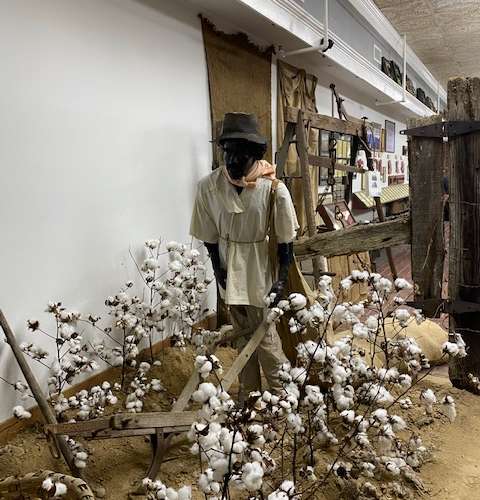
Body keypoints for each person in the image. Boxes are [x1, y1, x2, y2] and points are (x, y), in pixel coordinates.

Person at [190, 112, 299, 403]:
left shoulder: (273, 190)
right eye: (227, 151)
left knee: (265, 335)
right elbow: (209, 235)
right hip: (228, 266)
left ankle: (282, 395)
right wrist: (218, 270)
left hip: (258, 267)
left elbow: (286, 241)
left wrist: (280, 280)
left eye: (240, 153)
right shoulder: (209, 187)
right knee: (241, 334)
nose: (231, 159)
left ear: (254, 154)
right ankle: (249, 395)